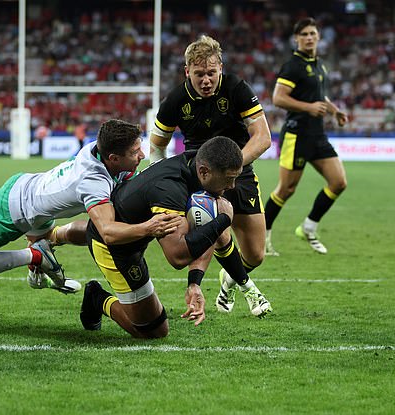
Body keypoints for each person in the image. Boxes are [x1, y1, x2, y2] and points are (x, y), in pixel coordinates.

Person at [0, 119, 181, 293]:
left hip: (37, 205)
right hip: (13, 209)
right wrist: (149, 227)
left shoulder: (99, 150)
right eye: (136, 151)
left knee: (82, 229)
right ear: (114, 158)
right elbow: (109, 234)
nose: (141, 155)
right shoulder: (93, 181)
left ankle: (41, 256)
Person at [80, 136, 272, 339]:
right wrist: (224, 220)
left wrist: (194, 283)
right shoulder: (170, 189)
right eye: (228, 179)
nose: (232, 186)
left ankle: (61, 235)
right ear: (204, 172)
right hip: (115, 248)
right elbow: (177, 257)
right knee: (152, 331)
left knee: (214, 226)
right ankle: (97, 298)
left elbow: (210, 235)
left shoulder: (196, 165)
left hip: (139, 236)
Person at [148, 35, 272, 314]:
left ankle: (228, 280)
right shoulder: (175, 100)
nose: (206, 80)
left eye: (211, 73)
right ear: (187, 72)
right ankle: (244, 289)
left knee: (256, 254)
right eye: (199, 74)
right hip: (200, 178)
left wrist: (233, 169)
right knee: (215, 230)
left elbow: (262, 138)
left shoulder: (236, 88)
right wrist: (166, 183)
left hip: (240, 172)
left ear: (221, 69)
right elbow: (156, 146)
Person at [263, 17, 348, 255]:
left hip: (317, 135)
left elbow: (319, 96)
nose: (309, 38)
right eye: (304, 34)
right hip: (296, 134)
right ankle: (263, 237)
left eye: (312, 33)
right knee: (286, 189)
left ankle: (308, 228)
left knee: (339, 182)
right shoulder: (293, 65)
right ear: (297, 39)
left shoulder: (320, 65)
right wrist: (308, 108)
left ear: (319, 36)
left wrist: (335, 111)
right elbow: (278, 98)